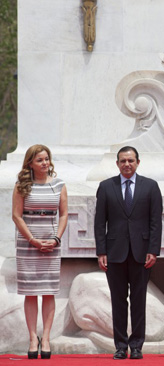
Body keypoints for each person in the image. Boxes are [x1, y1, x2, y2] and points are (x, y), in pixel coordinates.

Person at [94, 146, 163, 360]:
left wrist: (153, 250)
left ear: (138, 162)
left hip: (142, 253)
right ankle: (121, 346)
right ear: (117, 164)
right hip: (114, 253)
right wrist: (101, 251)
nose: (127, 164)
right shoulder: (106, 187)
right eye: (123, 161)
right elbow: (99, 223)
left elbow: (155, 222)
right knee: (118, 300)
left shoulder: (150, 187)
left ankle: (137, 346)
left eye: (131, 160)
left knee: (139, 299)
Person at [12, 144, 68, 359]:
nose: (45, 163)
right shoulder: (21, 186)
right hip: (28, 244)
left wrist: (56, 238)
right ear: (30, 163)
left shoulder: (59, 185)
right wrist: (32, 240)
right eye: (40, 160)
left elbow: (63, 215)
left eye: (46, 159)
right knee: (31, 292)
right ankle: (32, 338)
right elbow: (17, 216)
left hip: (52, 244)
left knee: (48, 291)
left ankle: (46, 338)